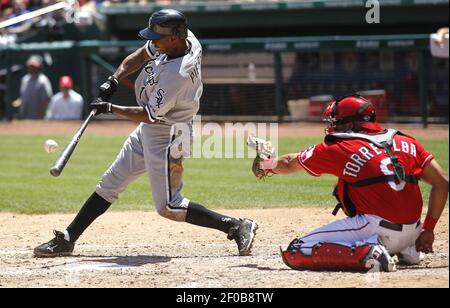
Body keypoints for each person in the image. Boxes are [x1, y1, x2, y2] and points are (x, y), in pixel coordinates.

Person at [34, 9, 258, 258]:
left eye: (157, 38)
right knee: (110, 183)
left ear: (173, 37)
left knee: (169, 206)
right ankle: (68, 238)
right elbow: (141, 54)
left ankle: (236, 226)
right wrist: (114, 79)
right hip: (152, 129)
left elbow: (151, 114)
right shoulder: (184, 39)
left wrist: (110, 108)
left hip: (170, 134)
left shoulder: (179, 73)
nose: (152, 42)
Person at [252, 95, 448, 272]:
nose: (333, 126)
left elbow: (287, 163)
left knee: (297, 250)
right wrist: (428, 228)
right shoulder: (407, 141)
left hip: (376, 228)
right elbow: (442, 183)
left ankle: (370, 254)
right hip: (414, 234)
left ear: (350, 124)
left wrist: (265, 163)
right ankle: (407, 252)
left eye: (336, 122)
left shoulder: (342, 146)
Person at [19, 55, 53, 119]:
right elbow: (24, 96)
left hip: (39, 119)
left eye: (33, 67)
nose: (31, 69)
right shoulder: (25, 79)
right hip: (26, 118)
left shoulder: (43, 81)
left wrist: (41, 116)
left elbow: (46, 100)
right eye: (30, 66)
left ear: (38, 67)